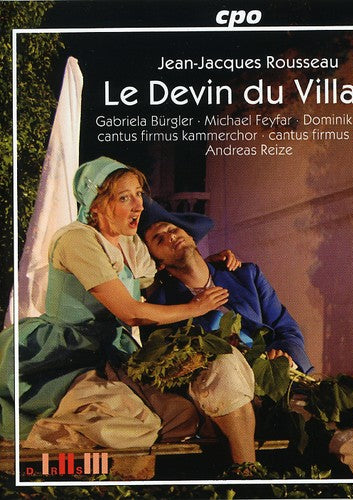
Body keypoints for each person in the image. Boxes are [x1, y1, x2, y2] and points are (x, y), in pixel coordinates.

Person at [138, 196, 353, 496]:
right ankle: (249, 483)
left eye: (174, 229)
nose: (170, 236)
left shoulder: (245, 275)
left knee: (351, 414)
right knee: (226, 362)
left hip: (281, 386)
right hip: (225, 401)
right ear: (158, 262)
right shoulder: (161, 304)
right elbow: (170, 362)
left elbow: (287, 328)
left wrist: (287, 357)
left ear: (192, 237)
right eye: (159, 239)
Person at [0, 156, 257, 467]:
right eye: (124, 198)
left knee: (183, 417)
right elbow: (130, 313)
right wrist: (195, 307)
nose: (138, 205)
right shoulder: (76, 239)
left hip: (113, 355)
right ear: (96, 204)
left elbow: (159, 279)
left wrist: (199, 259)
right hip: (65, 356)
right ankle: (46, 438)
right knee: (136, 427)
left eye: (138, 194)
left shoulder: (130, 243)